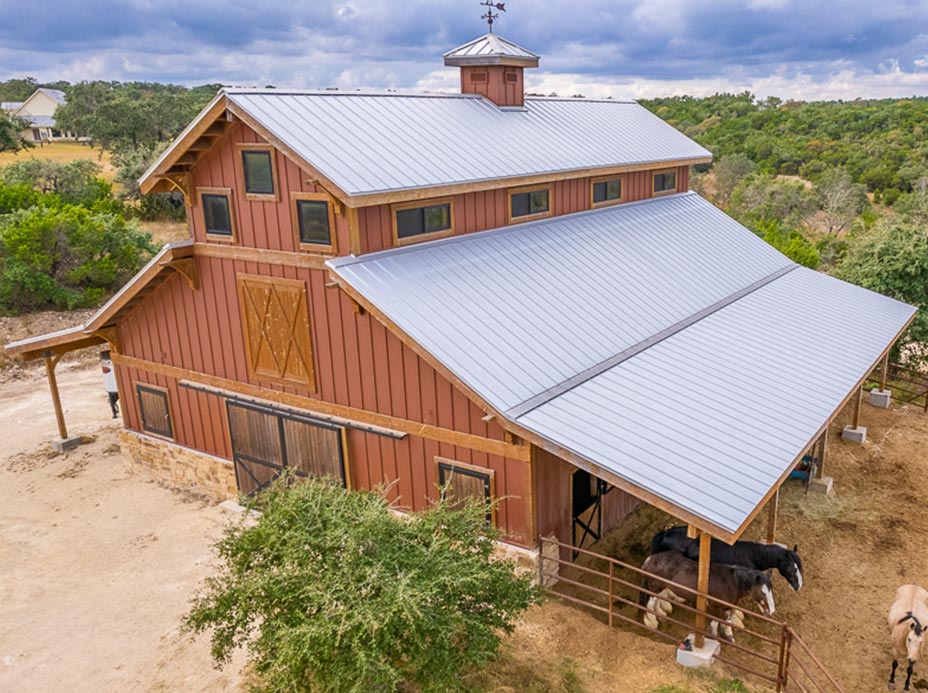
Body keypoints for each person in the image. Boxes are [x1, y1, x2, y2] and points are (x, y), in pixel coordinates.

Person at [100, 350, 119, 418]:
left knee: (112, 400)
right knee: (112, 400)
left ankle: (114, 413)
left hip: (111, 386)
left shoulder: (105, 364)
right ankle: (114, 412)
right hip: (114, 385)